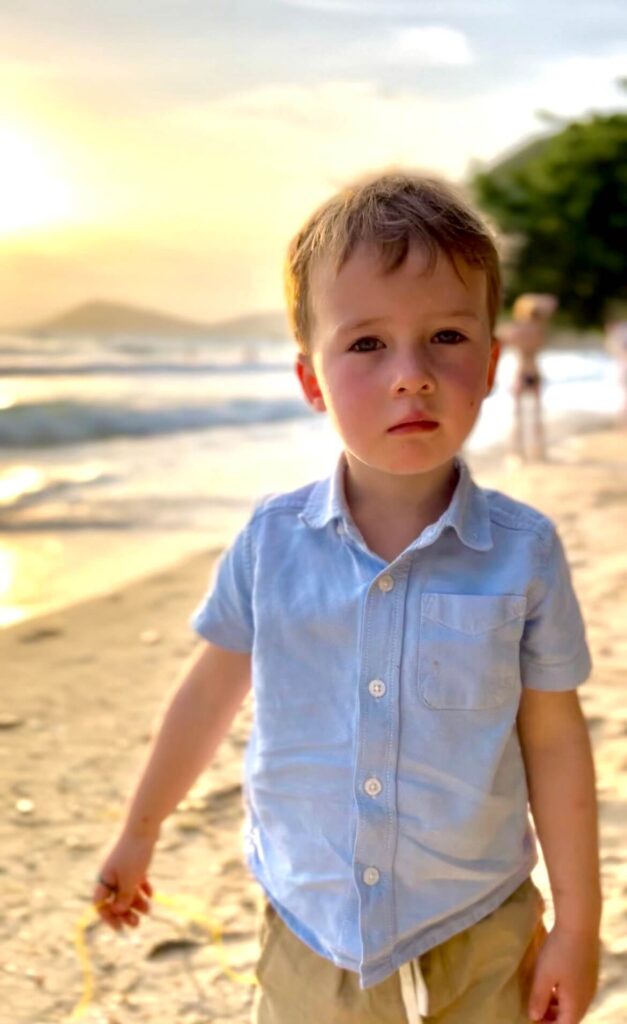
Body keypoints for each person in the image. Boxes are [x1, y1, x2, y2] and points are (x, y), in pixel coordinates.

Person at [94, 172, 600, 1024]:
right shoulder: (272, 541)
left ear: (487, 362)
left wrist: (578, 925)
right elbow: (210, 693)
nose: (411, 375)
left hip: (480, 930)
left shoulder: (522, 552)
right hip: (311, 936)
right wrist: (139, 832)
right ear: (310, 380)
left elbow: (553, 738)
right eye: (366, 344)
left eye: (444, 335)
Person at [500, 293, 558, 462]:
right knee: (536, 415)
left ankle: (517, 452)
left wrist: (522, 303)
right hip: (535, 373)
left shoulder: (516, 330)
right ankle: (539, 452)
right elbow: (551, 303)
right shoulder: (540, 330)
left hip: (520, 373)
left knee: (517, 415)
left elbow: (498, 340)